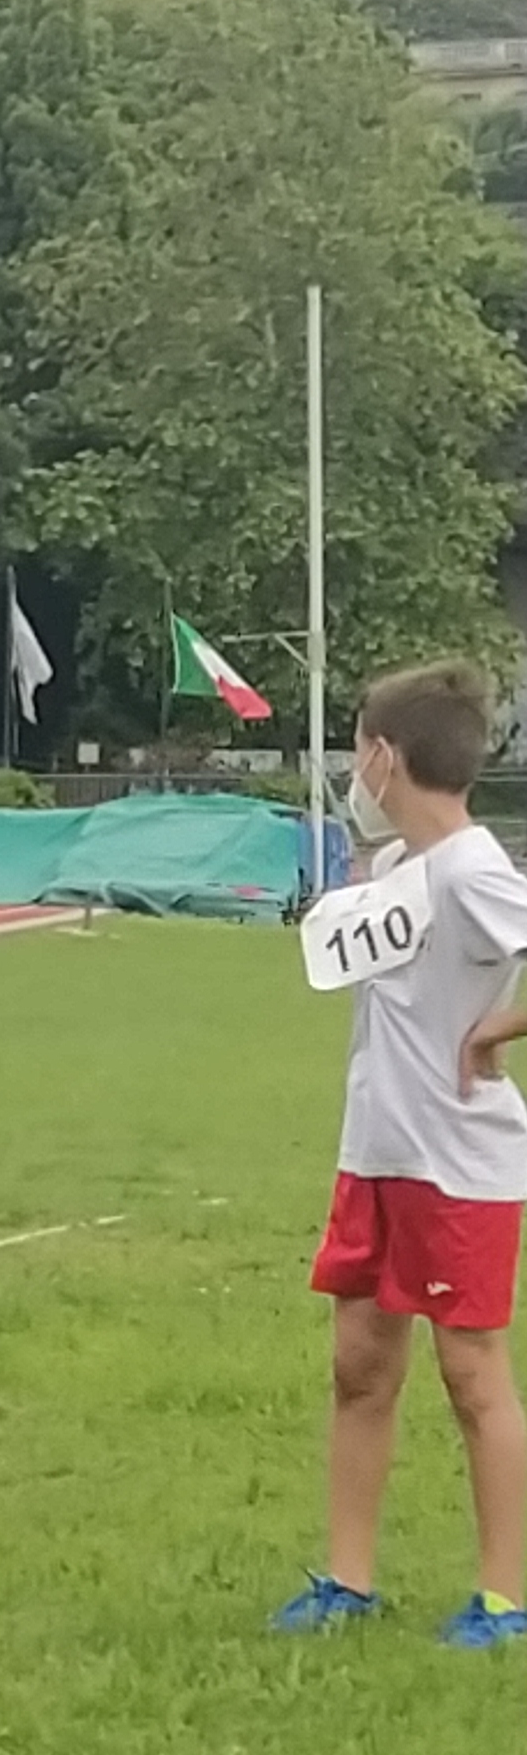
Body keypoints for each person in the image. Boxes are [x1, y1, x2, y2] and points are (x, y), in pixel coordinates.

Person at [278, 662, 527, 1650]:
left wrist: (494, 1030)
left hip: (458, 1165)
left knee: (472, 1375)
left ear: (384, 756)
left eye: (356, 749)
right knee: (359, 1365)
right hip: (377, 1152)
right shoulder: (394, 870)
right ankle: (347, 1582)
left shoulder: (473, 870)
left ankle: (503, 1600)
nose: (353, 770)